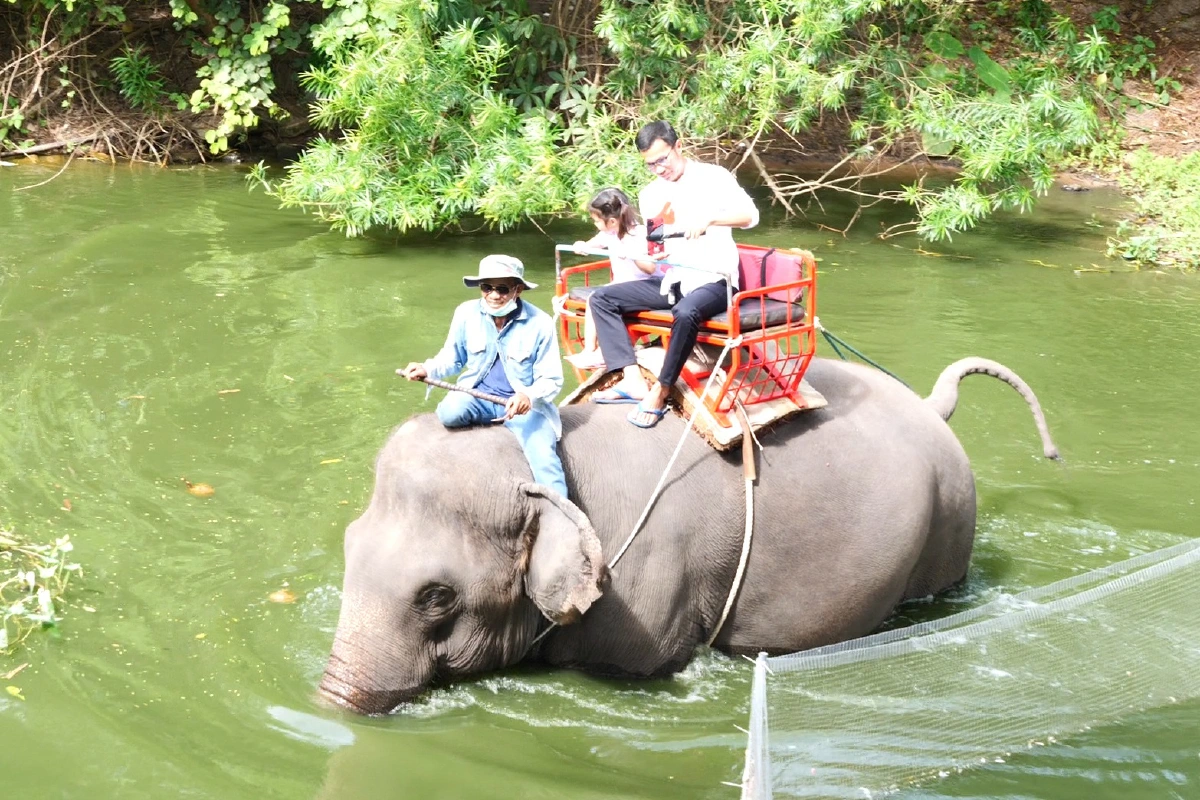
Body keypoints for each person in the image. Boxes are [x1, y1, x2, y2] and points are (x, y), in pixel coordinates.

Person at [587, 120, 759, 428]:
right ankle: (631, 377)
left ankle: (662, 388)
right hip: (674, 279)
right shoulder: (651, 193)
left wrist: (711, 219)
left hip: (715, 278)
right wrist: (648, 254)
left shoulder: (714, 177)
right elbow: (656, 244)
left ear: (678, 147)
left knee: (686, 311)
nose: (658, 169)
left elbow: (750, 216)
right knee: (601, 299)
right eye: (650, 164)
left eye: (662, 160)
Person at [399, 254, 568, 498]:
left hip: (523, 406)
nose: (493, 295)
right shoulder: (465, 313)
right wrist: (428, 368)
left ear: (518, 290)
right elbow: (452, 357)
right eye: (487, 287)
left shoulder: (540, 323)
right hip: (477, 395)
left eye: (502, 289)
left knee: (544, 459)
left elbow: (552, 380)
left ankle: (565, 520)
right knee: (449, 412)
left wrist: (527, 396)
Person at [566, 187, 659, 371]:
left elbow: (650, 269)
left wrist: (631, 254)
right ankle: (591, 350)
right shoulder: (608, 233)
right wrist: (582, 245)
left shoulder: (638, 235)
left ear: (612, 221)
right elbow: (593, 243)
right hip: (621, 284)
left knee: (596, 298)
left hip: (644, 284)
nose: (595, 225)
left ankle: (594, 351)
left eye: (596, 221)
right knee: (596, 298)